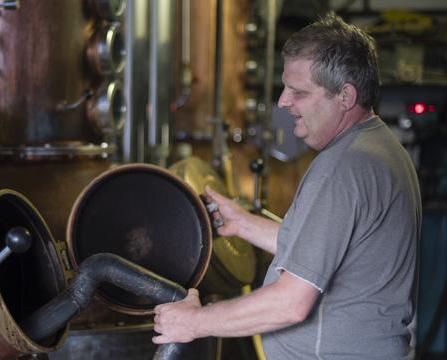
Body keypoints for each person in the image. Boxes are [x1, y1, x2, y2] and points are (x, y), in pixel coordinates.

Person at [153, 13, 421, 359]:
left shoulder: (342, 167)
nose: (283, 102)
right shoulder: (379, 148)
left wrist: (194, 322)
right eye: (285, 88)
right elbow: (325, 250)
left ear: (345, 96)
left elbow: (292, 303)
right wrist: (242, 223)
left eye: (299, 92)